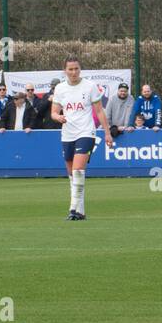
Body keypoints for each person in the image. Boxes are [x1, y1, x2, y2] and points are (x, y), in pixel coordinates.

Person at [50, 58, 114, 221]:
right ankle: (81, 211)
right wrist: (58, 117)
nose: (73, 72)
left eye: (76, 69)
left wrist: (107, 133)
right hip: (67, 134)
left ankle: (72, 209)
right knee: (72, 175)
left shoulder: (89, 86)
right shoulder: (60, 88)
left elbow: (100, 111)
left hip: (86, 132)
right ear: (65, 71)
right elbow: (54, 112)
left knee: (78, 171)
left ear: (80, 69)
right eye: (70, 69)